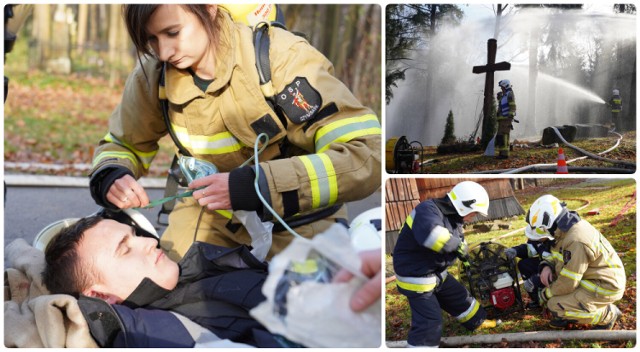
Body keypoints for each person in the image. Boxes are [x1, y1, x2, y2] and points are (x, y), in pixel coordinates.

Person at [88, 5, 381, 262]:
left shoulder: (281, 57)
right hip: (208, 218)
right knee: (168, 296)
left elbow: (365, 155)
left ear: (210, 8)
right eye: (152, 39)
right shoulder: (154, 75)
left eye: (173, 32)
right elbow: (122, 143)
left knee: (304, 316)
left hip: (299, 220)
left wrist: (259, 186)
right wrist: (112, 174)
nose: (164, 52)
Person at [42, 214, 284, 347]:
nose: (149, 242)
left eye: (134, 235)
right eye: (124, 250)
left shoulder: (198, 272)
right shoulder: (167, 334)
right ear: (101, 296)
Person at [392, 181, 494, 347]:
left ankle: (477, 321)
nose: (472, 217)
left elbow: (456, 238)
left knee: (461, 298)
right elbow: (433, 236)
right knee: (430, 322)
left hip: (436, 272)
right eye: (474, 213)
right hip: (416, 276)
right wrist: (457, 246)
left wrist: (462, 251)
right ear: (464, 206)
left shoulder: (453, 218)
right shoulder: (426, 210)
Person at [526, 195, 625, 330]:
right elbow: (557, 256)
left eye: (541, 232)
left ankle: (607, 314)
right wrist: (547, 266)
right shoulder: (563, 230)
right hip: (590, 277)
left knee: (555, 305)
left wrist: (545, 294)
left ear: (549, 224)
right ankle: (580, 307)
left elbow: (568, 282)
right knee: (555, 298)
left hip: (604, 285)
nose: (540, 237)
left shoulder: (575, 240)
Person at [504, 233, 555, 309]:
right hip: (545, 265)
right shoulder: (537, 237)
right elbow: (530, 249)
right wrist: (516, 250)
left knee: (534, 282)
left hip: (556, 271)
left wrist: (535, 280)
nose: (533, 238)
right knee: (523, 264)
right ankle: (537, 300)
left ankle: (548, 299)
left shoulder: (556, 241)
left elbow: (558, 266)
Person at [495, 79, 516, 159]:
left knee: (504, 136)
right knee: (500, 136)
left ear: (506, 86)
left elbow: (512, 105)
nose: (501, 89)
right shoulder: (505, 95)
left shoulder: (510, 94)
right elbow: (502, 106)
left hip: (506, 119)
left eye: (502, 87)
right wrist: (499, 98)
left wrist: (511, 115)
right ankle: (501, 153)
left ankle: (504, 154)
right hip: (502, 119)